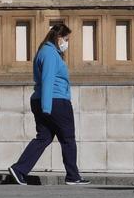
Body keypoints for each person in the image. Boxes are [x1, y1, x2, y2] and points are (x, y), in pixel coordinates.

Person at [7, 23, 88, 186]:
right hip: (55, 101)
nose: (67, 43)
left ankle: (19, 169)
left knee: (43, 137)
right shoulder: (50, 53)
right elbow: (48, 79)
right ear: (59, 38)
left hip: (44, 100)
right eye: (66, 39)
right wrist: (46, 107)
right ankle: (73, 176)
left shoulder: (45, 51)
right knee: (68, 138)